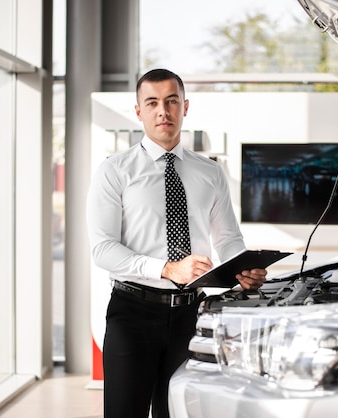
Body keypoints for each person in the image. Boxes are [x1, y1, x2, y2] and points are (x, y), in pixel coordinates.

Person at [86, 68, 267, 418]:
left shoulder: (210, 172)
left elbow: (228, 238)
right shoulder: (115, 171)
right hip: (132, 314)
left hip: (190, 316)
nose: (163, 111)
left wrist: (241, 268)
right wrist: (166, 268)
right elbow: (103, 248)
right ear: (138, 111)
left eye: (171, 102)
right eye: (152, 103)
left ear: (186, 107)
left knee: (181, 413)